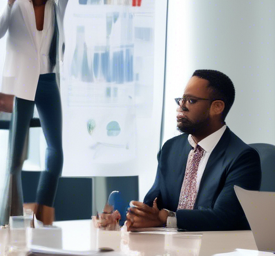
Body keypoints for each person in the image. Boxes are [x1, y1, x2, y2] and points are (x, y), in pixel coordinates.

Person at [103, 70, 261, 231]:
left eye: (191, 101)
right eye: (181, 100)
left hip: (214, 249)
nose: (181, 106)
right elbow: (152, 204)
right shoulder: (170, 148)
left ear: (217, 107)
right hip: (169, 249)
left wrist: (167, 219)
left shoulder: (242, 157)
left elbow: (225, 217)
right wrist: (126, 217)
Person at [0, 0, 71, 226]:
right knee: (15, 157)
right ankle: (9, 217)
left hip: (48, 81)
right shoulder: (18, 4)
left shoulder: (55, 6)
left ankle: (43, 213)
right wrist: (9, 2)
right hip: (22, 84)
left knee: (56, 151)